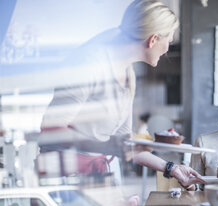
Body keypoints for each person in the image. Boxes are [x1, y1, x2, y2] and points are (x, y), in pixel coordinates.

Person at [40, 0, 204, 187]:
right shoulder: (89, 64)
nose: (167, 48)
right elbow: (50, 129)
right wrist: (108, 146)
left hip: (98, 175)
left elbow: (127, 145)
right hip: (64, 176)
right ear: (153, 39)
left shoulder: (128, 73)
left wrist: (171, 168)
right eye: (169, 40)